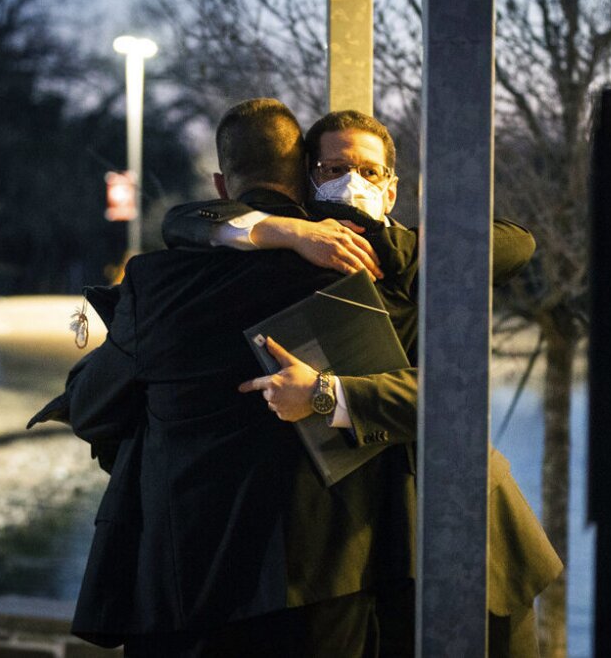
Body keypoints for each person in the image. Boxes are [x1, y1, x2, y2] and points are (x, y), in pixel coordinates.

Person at [161, 109, 563, 657]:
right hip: (370, 552)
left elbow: (517, 244)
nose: (353, 181)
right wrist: (287, 229)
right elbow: (183, 220)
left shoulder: (421, 261)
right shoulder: (296, 252)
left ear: (392, 188)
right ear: (308, 181)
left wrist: (405, 248)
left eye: (369, 172)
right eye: (333, 168)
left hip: (471, 536)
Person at [32, 99, 423, 657]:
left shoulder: (157, 284)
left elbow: (93, 410)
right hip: (326, 586)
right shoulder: (367, 274)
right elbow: (428, 400)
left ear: (222, 183)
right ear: (306, 177)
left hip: (185, 587)